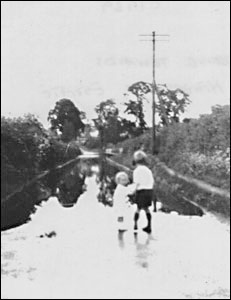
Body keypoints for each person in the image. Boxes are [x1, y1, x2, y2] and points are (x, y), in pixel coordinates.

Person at [132, 150, 154, 234]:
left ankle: (135, 224)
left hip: (141, 191)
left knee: (138, 208)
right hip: (149, 190)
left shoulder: (136, 171)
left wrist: (133, 191)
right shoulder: (148, 170)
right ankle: (149, 225)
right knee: (146, 208)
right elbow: (152, 181)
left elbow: (136, 183)